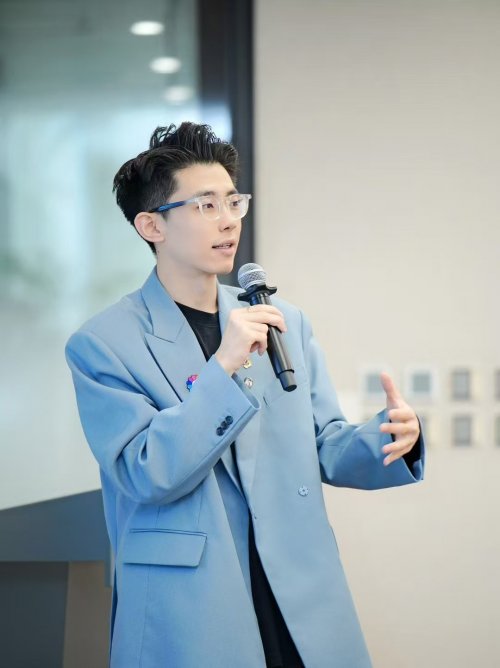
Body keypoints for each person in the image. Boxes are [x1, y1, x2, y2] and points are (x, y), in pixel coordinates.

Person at [65, 122, 424, 668]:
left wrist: (390, 438)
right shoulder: (104, 343)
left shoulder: (283, 320)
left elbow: (325, 443)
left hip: (294, 581)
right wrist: (222, 366)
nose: (229, 219)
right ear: (151, 225)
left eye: (233, 201)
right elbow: (144, 471)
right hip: (192, 597)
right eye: (205, 205)